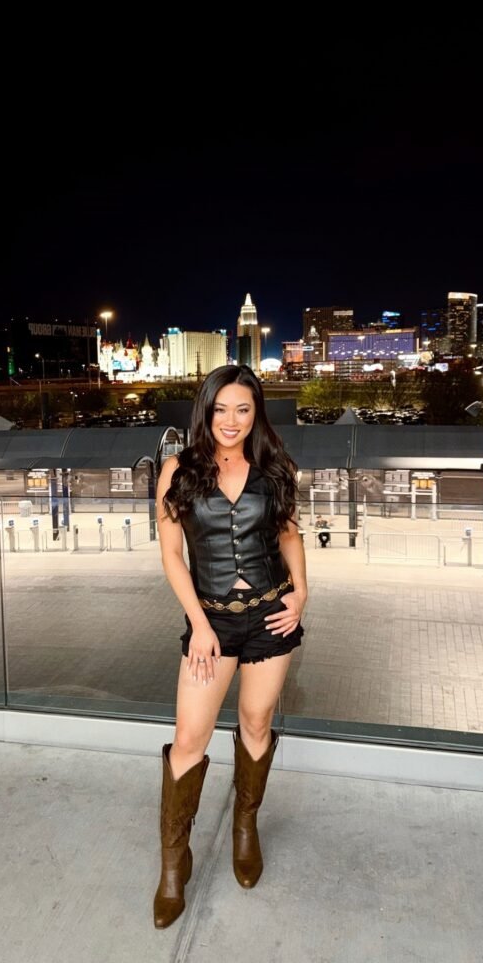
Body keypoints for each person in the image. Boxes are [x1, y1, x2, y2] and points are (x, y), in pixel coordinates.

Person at [153, 364, 307, 929]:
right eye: (222, 409)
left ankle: (246, 825)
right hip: (210, 621)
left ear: (256, 413)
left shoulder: (274, 466)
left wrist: (303, 592)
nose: (232, 421)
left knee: (256, 723)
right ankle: (174, 863)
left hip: (271, 615)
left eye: (243, 409)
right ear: (206, 410)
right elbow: (172, 555)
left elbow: (288, 532)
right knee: (188, 738)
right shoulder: (178, 469)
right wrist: (198, 623)